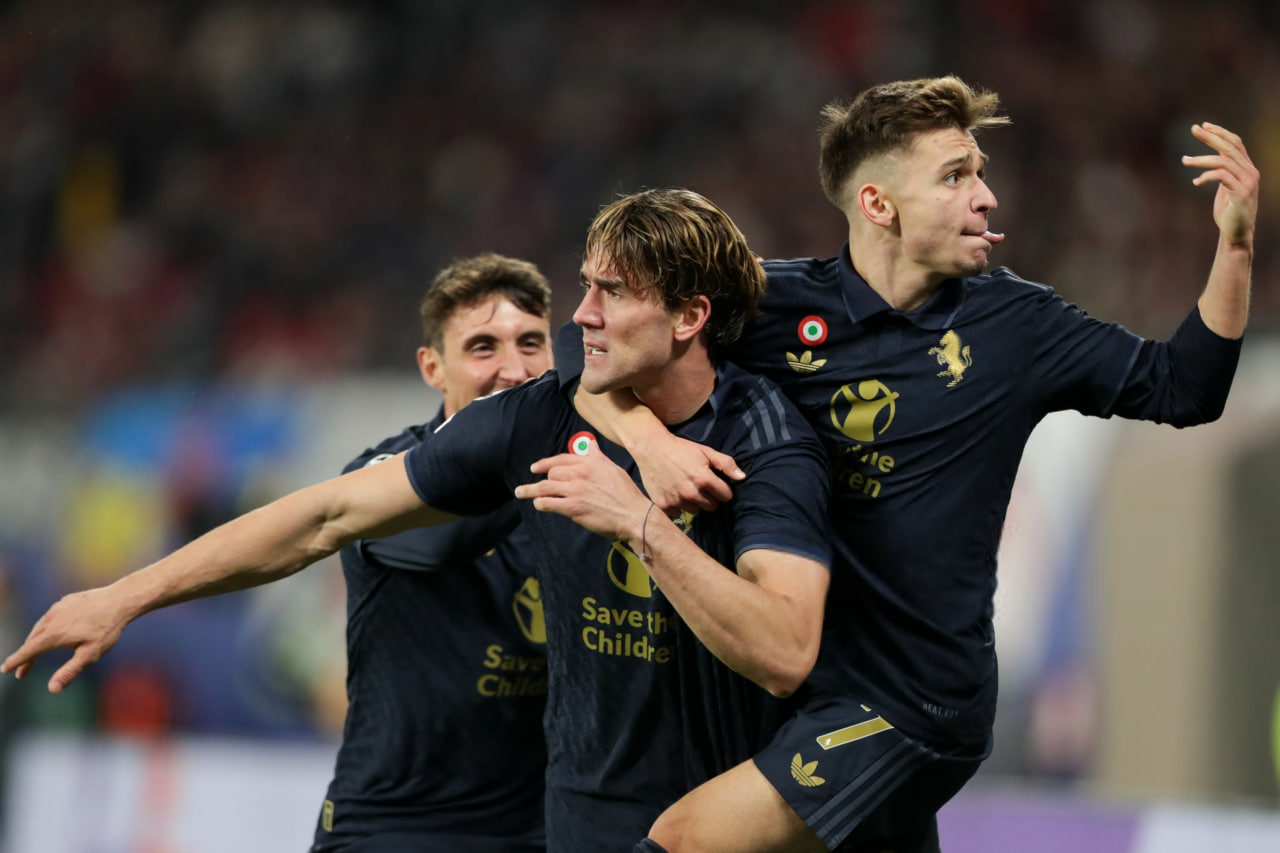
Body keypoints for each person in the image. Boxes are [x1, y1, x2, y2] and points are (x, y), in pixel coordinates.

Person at [4, 188, 835, 853]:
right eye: (482, 347)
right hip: (419, 827)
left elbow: (783, 648)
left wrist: (636, 485)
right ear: (430, 367)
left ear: (687, 317)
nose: (573, 322)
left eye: (603, 296)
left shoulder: (752, 439)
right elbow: (322, 517)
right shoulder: (497, 440)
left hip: (606, 825)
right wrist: (124, 595)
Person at [554, 75, 1258, 851]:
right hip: (801, 695)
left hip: (910, 703)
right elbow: (584, 345)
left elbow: (1184, 387)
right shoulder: (771, 305)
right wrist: (649, 443)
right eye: (955, 176)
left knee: (684, 838)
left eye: (980, 172)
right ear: (878, 204)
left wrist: (1234, 246)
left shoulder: (1017, 325)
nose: (986, 196)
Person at [313, 253, 554, 852]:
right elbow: (443, 539)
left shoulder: (586, 485)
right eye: (482, 347)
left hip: (540, 832)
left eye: (531, 343)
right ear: (433, 368)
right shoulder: (380, 475)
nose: (514, 369)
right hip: (395, 828)